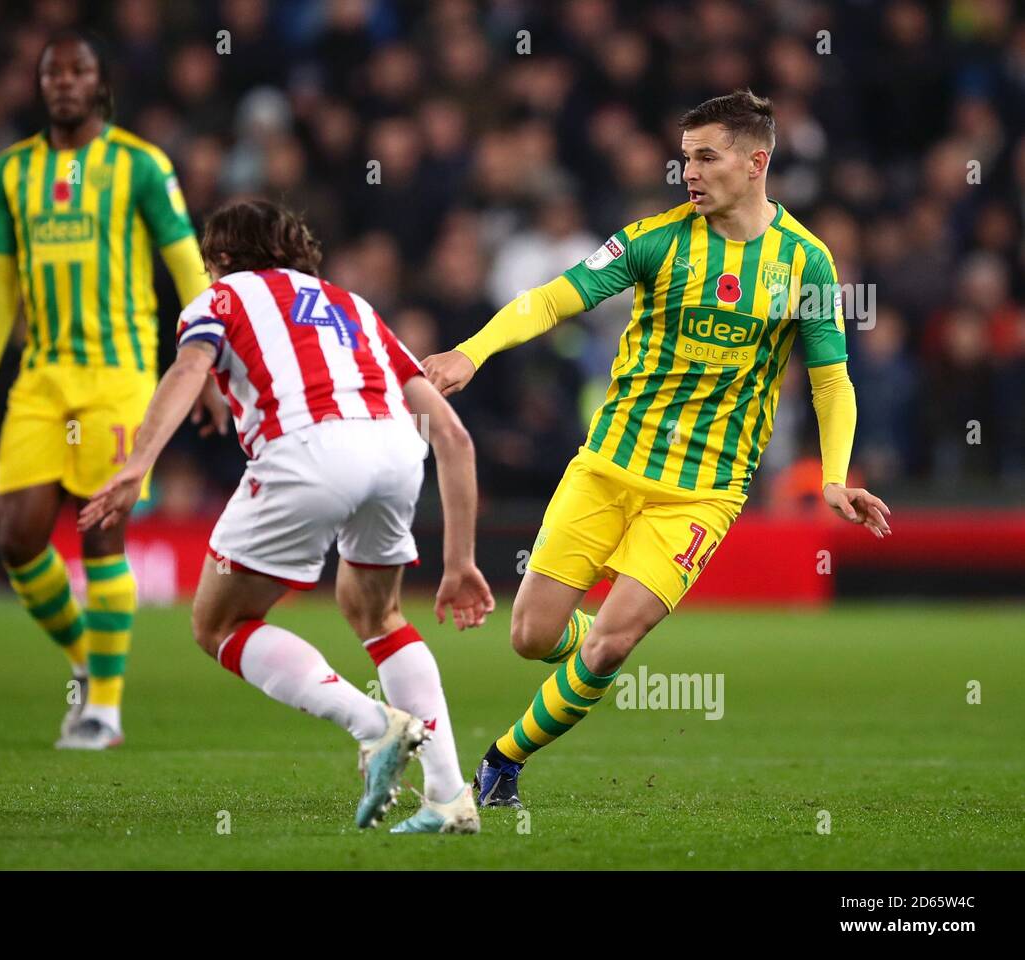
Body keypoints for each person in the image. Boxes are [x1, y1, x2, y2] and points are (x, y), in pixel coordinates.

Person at [422, 90, 892, 808]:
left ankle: (500, 763)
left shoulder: (807, 263)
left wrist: (833, 477)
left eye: (706, 157)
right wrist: (472, 351)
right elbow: (553, 297)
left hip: (704, 489)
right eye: (684, 159)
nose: (690, 174)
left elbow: (831, 380)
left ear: (755, 161)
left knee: (612, 645)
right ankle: (593, 641)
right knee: (530, 635)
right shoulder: (653, 239)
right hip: (609, 466)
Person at [80, 199, 495, 832]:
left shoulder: (220, 300)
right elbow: (455, 438)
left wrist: (138, 465)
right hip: (394, 448)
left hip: (308, 450)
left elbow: (189, 368)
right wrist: (460, 561)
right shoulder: (354, 307)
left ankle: (374, 725)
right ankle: (448, 797)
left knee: (220, 623)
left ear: (219, 258)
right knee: (377, 613)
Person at [0, 30, 218, 749]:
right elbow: (1, 281)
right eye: (52, 72)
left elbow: (187, 267)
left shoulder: (140, 166)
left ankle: (103, 709)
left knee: (102, 534)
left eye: (79, 71)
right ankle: (86, 658)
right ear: (39, 84)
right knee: (18, 540)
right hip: (40, 380)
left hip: (120, 378)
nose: (64, 82)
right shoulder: (11, 173)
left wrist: (207, 361)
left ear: (100, 85)